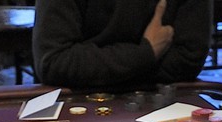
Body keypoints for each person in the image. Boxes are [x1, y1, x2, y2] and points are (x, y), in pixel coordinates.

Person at [33, 0, 211, 90]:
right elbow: (54, 63)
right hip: (77, 105)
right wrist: (147, 52)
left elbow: (188, 60)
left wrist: (96, 69)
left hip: (162, 103)